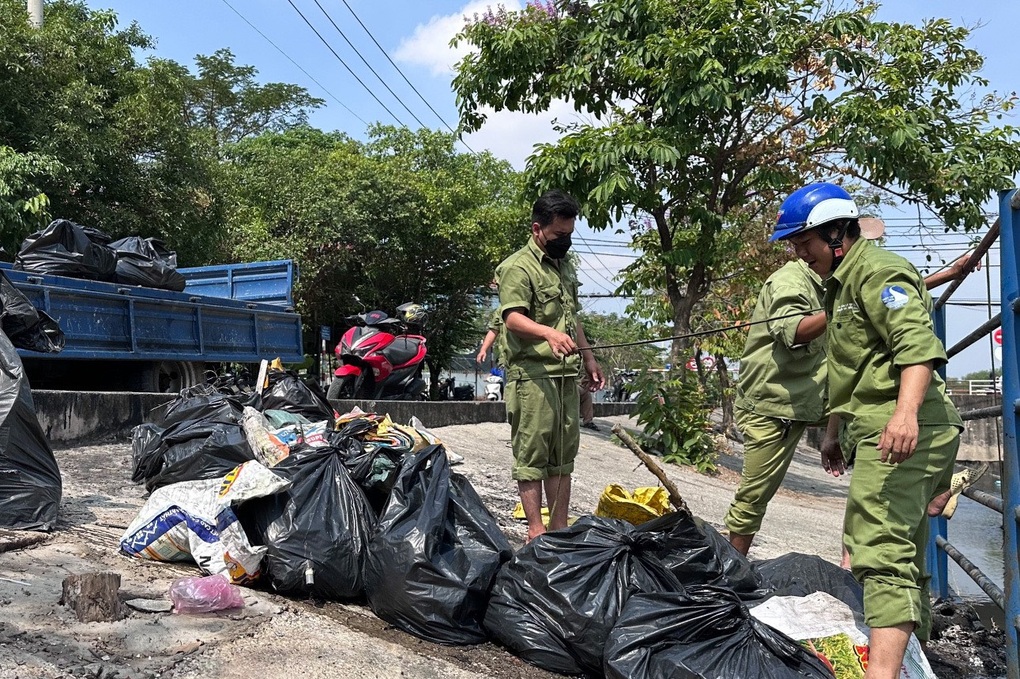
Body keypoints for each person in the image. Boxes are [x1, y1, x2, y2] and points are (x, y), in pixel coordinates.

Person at [773, 181, 963, 679]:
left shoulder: (880, 272)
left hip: (902, 427)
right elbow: (850, 366)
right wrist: (834, 430)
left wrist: (905, 415)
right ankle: (912, 661)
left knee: (878, 550)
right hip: (881, 423)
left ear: (837, 233)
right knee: (904, 544)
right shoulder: (841, 285)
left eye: (803, 243)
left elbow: (916, 345)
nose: (799, 253)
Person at [725, 246, 974, 558]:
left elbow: (878, 298)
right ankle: (730, 573)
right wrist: (843, 308)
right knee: (755, 494)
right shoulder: (792, 281)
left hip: (825, 397)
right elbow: (796, 331)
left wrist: (946, 275)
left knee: (875, 452)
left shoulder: (847, 281)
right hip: (776, 403)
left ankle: (932, 489)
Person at [495, 189, 605, 542]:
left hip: (565, 376)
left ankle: (559, 528)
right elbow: (512, 318)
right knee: (532, 456)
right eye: (559, 235)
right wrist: (547, 334)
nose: (566, 242)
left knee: (562, 458)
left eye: (570, 235)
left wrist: (588, 357)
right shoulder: (518, 267)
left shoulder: (565, 266)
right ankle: (536, 531)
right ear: (537, 228)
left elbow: (573, 319)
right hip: (533, 377)